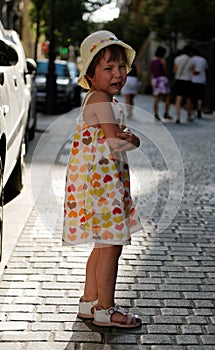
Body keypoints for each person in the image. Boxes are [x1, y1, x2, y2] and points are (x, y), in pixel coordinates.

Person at [63, 30, 142, 328]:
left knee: (102, 245)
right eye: (108, 68)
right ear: (91, 74)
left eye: (121, 67)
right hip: (103, 188)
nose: (118, 74)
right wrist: (134, 141)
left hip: (97, 187)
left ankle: (89, 302)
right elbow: (114, 141)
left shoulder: (97, 97)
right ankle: (105, 309)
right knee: (112, 246)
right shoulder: (101, 99)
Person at [150, 46, 172, 122]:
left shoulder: (153, 60)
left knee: (157, 97)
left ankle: (156, 114)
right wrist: (169, 78)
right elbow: (165, 70)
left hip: (155, 79)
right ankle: (166, 112)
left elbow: (151, 71)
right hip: (162, 79)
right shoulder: (162, 60)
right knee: (168, 96)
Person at [173, 45, 193, 123]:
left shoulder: (177, 59)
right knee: (188, 98)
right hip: (188, 80)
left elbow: (174, 71)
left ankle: (178, 117)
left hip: (179, 80)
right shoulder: (191, 60)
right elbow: (193, 71)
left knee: (178, 99)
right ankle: (189, 115)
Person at [190, 47, 208, 118]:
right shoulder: (203, 60)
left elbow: (194, 72)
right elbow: (206, 70)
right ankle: (199, 108)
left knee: (193, 96)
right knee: (200, 96)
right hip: (202, 80)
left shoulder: (191, 60)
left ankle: (192, 110)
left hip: (193, 80)